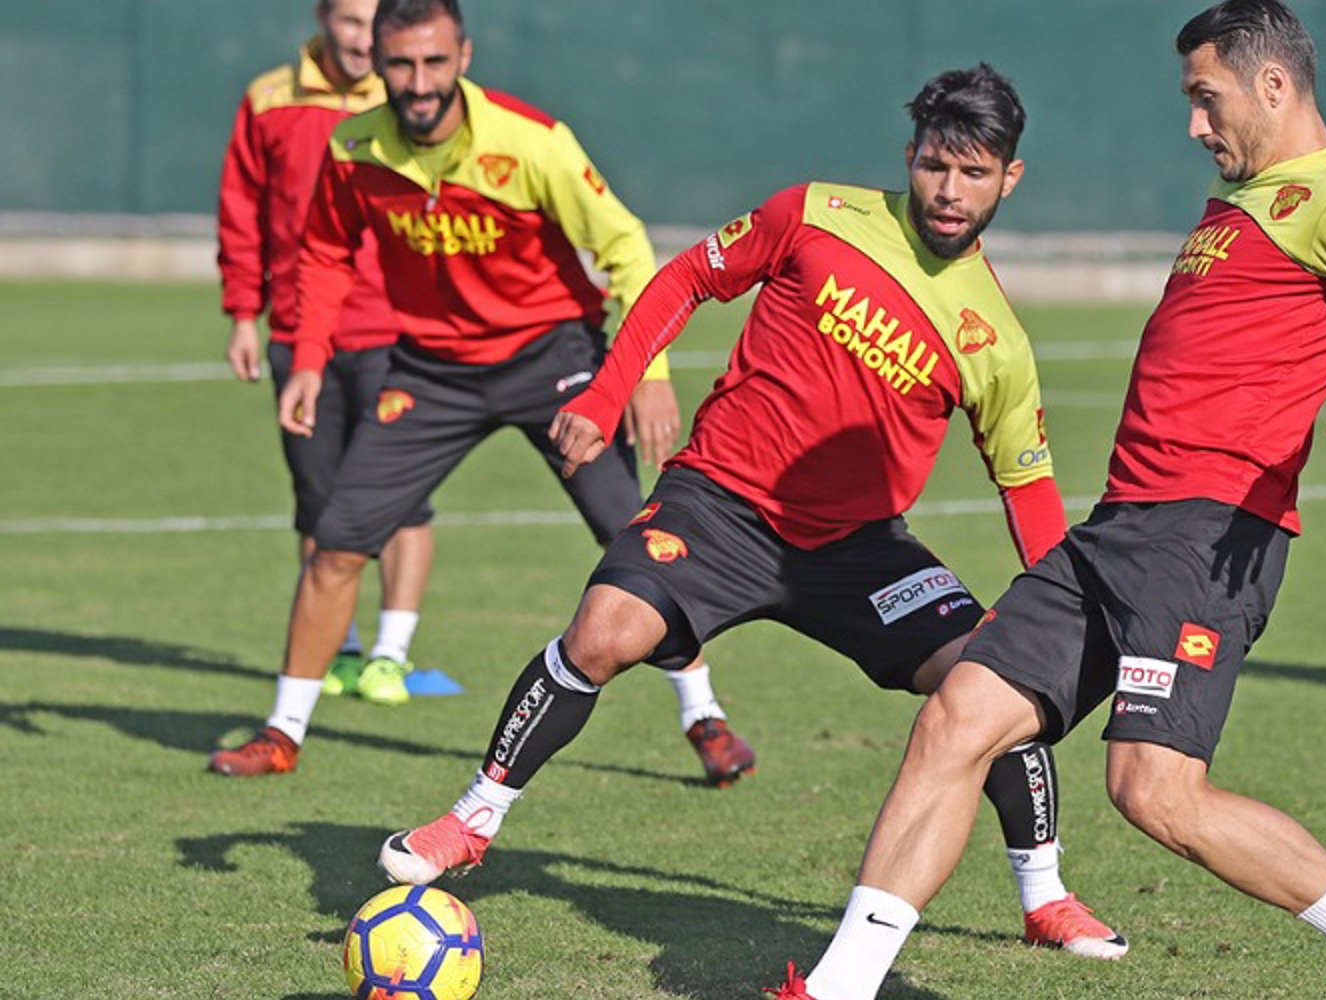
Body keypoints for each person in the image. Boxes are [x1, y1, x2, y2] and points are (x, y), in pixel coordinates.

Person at [771, 3, 1326, 998]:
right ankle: (839, 986)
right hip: (1118, 528)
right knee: (956, 718)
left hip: (1206, 537)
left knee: (1155, 790)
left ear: (1271, 86)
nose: (1194, 124)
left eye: (1206, 98)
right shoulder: (1244, 195)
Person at [376, 63, 1130, 960]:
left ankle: (1045, 895)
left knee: (988, 676)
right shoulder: (815, 214)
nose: (950, 191)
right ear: (910, 156)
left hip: (859, 552)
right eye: (936, 165)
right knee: (603, 631)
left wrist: (1049, 621)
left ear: (1010, 178)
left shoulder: (994, 336)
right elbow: (683, 280)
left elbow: (1027, 486)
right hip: (717, 507)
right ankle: (472, 819)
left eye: (975, 173)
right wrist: (609, 393)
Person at [209, 0, 754, 787]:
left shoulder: (530, 141)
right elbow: (325, 253)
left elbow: (626, 247)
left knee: (633, 541)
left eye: (434, 62)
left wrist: (647, 375)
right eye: (401, 64)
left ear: (463, 56)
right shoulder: (355, 147)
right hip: (430, 371)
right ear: (378, 64)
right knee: (336, 544)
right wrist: (309, 359)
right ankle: (281, 733)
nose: (418, 82)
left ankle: (703, 715)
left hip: (553, 359)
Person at [217, 0, 437, 706]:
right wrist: (243, 313)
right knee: (318, 503)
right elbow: (242, 212)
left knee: (406, 502)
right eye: (348, 20)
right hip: (297, 335)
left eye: (373, 22)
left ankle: (389, 655)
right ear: (322, 18)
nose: (362, 38)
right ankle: (336, 648)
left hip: (396, 333)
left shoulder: (414, 98)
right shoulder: (269, 98)